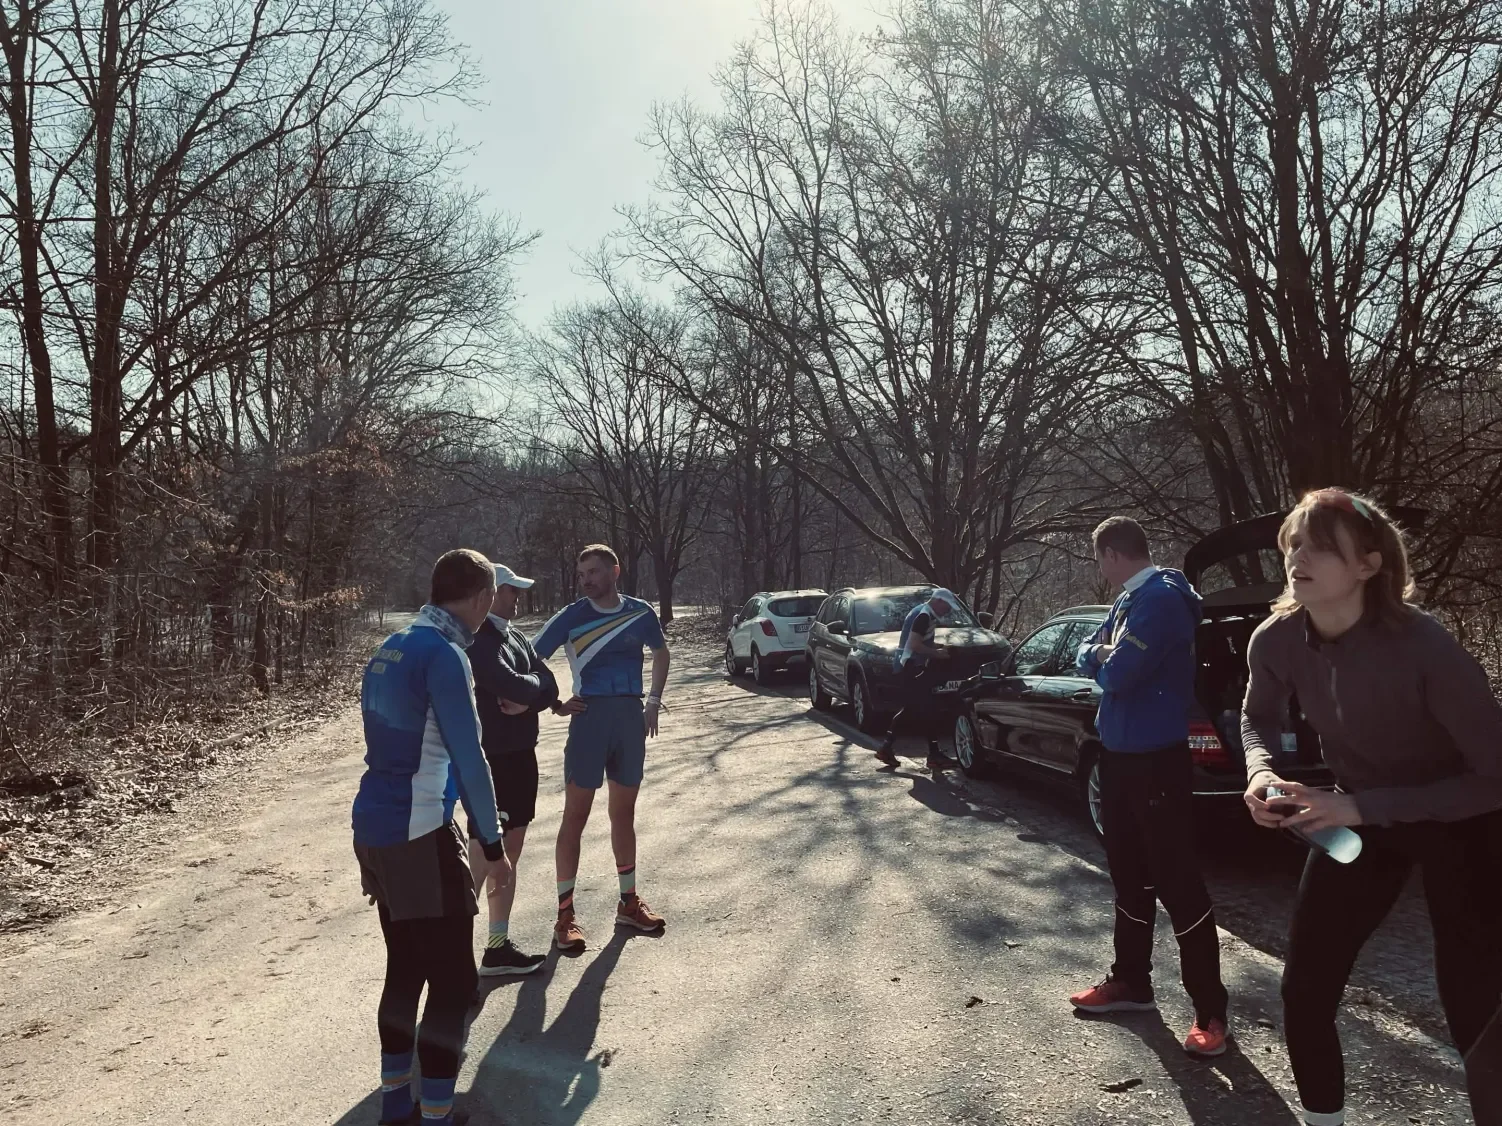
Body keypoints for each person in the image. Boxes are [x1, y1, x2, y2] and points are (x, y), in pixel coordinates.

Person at [1241, 489, 1502, 1126]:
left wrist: (1360, 805)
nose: (1299, 556)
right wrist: (1261, 772)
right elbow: (1255, 717)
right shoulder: (1275, 640)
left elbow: (1496, 778)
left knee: (1474, 1007)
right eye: (1296, 543)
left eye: (1322, 547)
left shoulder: (1426, 649)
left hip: (1464, 825)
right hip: (1358, 825)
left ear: (1368, 566)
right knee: (1304, 989)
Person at [352, 549, 507, 1126]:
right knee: (454, 980)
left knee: (405, 966)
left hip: (374, 827)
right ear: (478, 596)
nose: (490, 607)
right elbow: (470, 757)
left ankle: (397, 1108)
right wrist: (492, 844)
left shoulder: (391, 647)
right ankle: (436, 1115)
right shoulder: (445, 655)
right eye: (490, 596)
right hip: (418, 832)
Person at [1070, 516, 1230, 1058]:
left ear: (1112, 554)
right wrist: (1101, 652)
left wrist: (1101, 656)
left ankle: (1211, 1010)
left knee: (1176, 881)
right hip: (1117, 758)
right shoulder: (1127, 600)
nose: (1100, 568)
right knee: (1128, 875)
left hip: (1157, 764)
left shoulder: (1160, 599)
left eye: (1098, 559)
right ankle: (1132, 983)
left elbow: (1116, 674)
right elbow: (1090, 651)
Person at [532, 543, 671, 952]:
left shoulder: (639, 611)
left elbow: (661, 653)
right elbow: (530, 658)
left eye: (593, 572)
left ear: (615, 571)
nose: (586, 580)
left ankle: (628, 902)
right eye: (581, 574)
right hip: (589, 720)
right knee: (575, 816)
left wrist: (654, 700)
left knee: (623, 813)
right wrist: (554, 702)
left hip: (629, 718)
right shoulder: (574, 616)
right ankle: (565, 916)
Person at [465, 562, 560, 977]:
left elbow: (549, 681)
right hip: (494, 759)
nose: (517, 595)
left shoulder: (514, 634)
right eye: (511, 590)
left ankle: (497, 946)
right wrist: (530, 690)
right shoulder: (480, 640)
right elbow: (512, 683)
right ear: (489, 593)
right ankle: (453, 945)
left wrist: (531, 697)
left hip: (523, 755)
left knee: (512, 851)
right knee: (485, 850)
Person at [875, 588, 957, 773]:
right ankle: (934, 755)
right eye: (947, 606)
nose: (948, 610)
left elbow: (920, 641)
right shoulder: (924, 616)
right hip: (912, 667)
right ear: (938, 601)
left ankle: (886, 748)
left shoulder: (922, 612)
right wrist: (937, 653)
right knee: (928, 708)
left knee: (913, 708)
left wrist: (939, 647)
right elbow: (914, 645)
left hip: (910, 667)